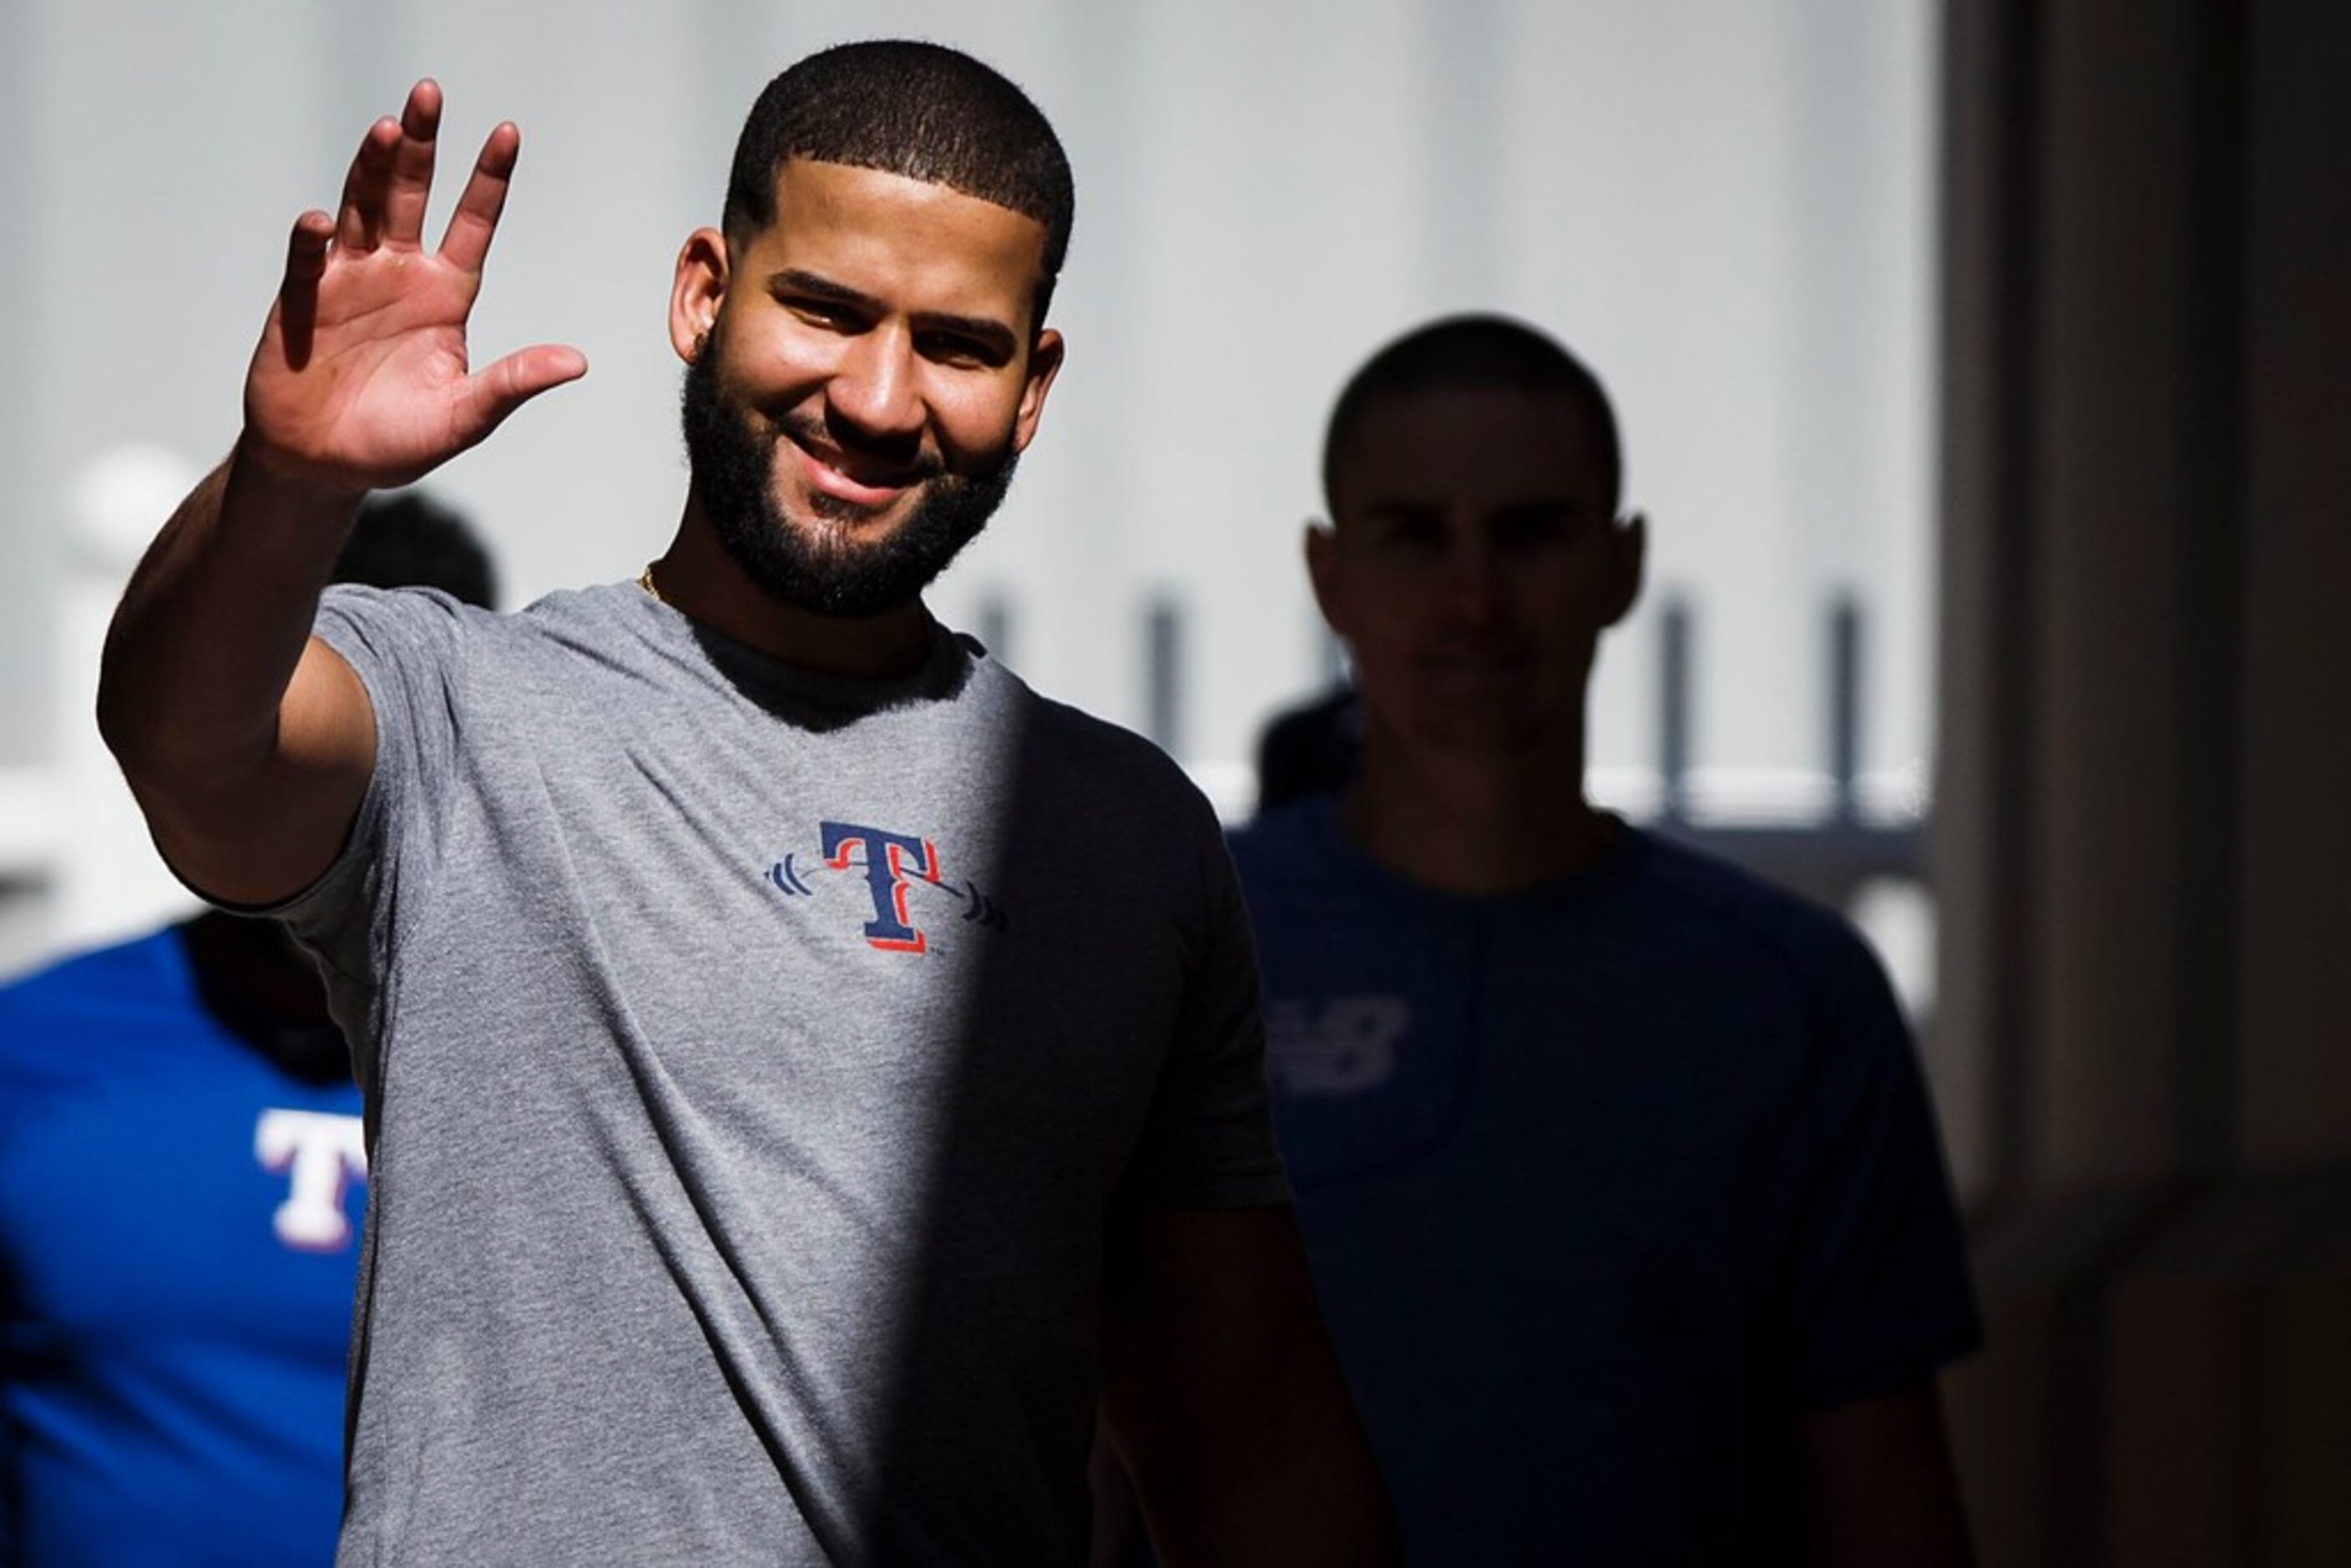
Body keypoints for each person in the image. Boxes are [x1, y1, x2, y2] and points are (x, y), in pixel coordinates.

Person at [94, 43, 1394, 1566]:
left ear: (1033, 388)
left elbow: (1247, 1447)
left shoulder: (1122, 832)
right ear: (704, 294)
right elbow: (188, 741)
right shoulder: (459, 712)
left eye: (959, 344)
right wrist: (290, 482)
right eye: (827, 310)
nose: (880, 396)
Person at [1227, 315, 1981, 1564]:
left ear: (1623, 565)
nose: (1475, 598)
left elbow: (1886, 1503)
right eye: (1416, 535)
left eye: (1530, 532)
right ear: (1329, 572)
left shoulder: (1789, 997)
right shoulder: (1185, 955)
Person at [1, 493, 493, 1567]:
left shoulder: (574, 1072)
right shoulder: (30, 1055)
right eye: (284, 729)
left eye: (376, 738)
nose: (319, 788)